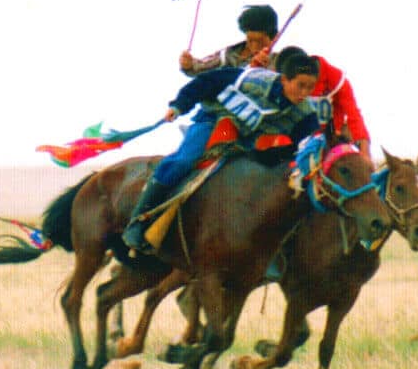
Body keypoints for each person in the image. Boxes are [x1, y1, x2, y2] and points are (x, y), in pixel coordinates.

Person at [123, 49, 321, 254]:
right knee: (184, 161)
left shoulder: (304, 112)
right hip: (212, 120)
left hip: (243, 139)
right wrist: (180, 105)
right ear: (284, 80)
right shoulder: (251, 80)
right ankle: (138, 221)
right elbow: (207, 81)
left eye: (310, 88)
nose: (304, 93)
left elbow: (310, 139)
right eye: (300, 85)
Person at [179, 4, 278, 77]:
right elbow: (200, 68)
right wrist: (188, 64)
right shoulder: (227, 54)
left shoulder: (276, 64)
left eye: (259, 41)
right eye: (250, 40)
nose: (254, 47)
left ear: (272, 38)